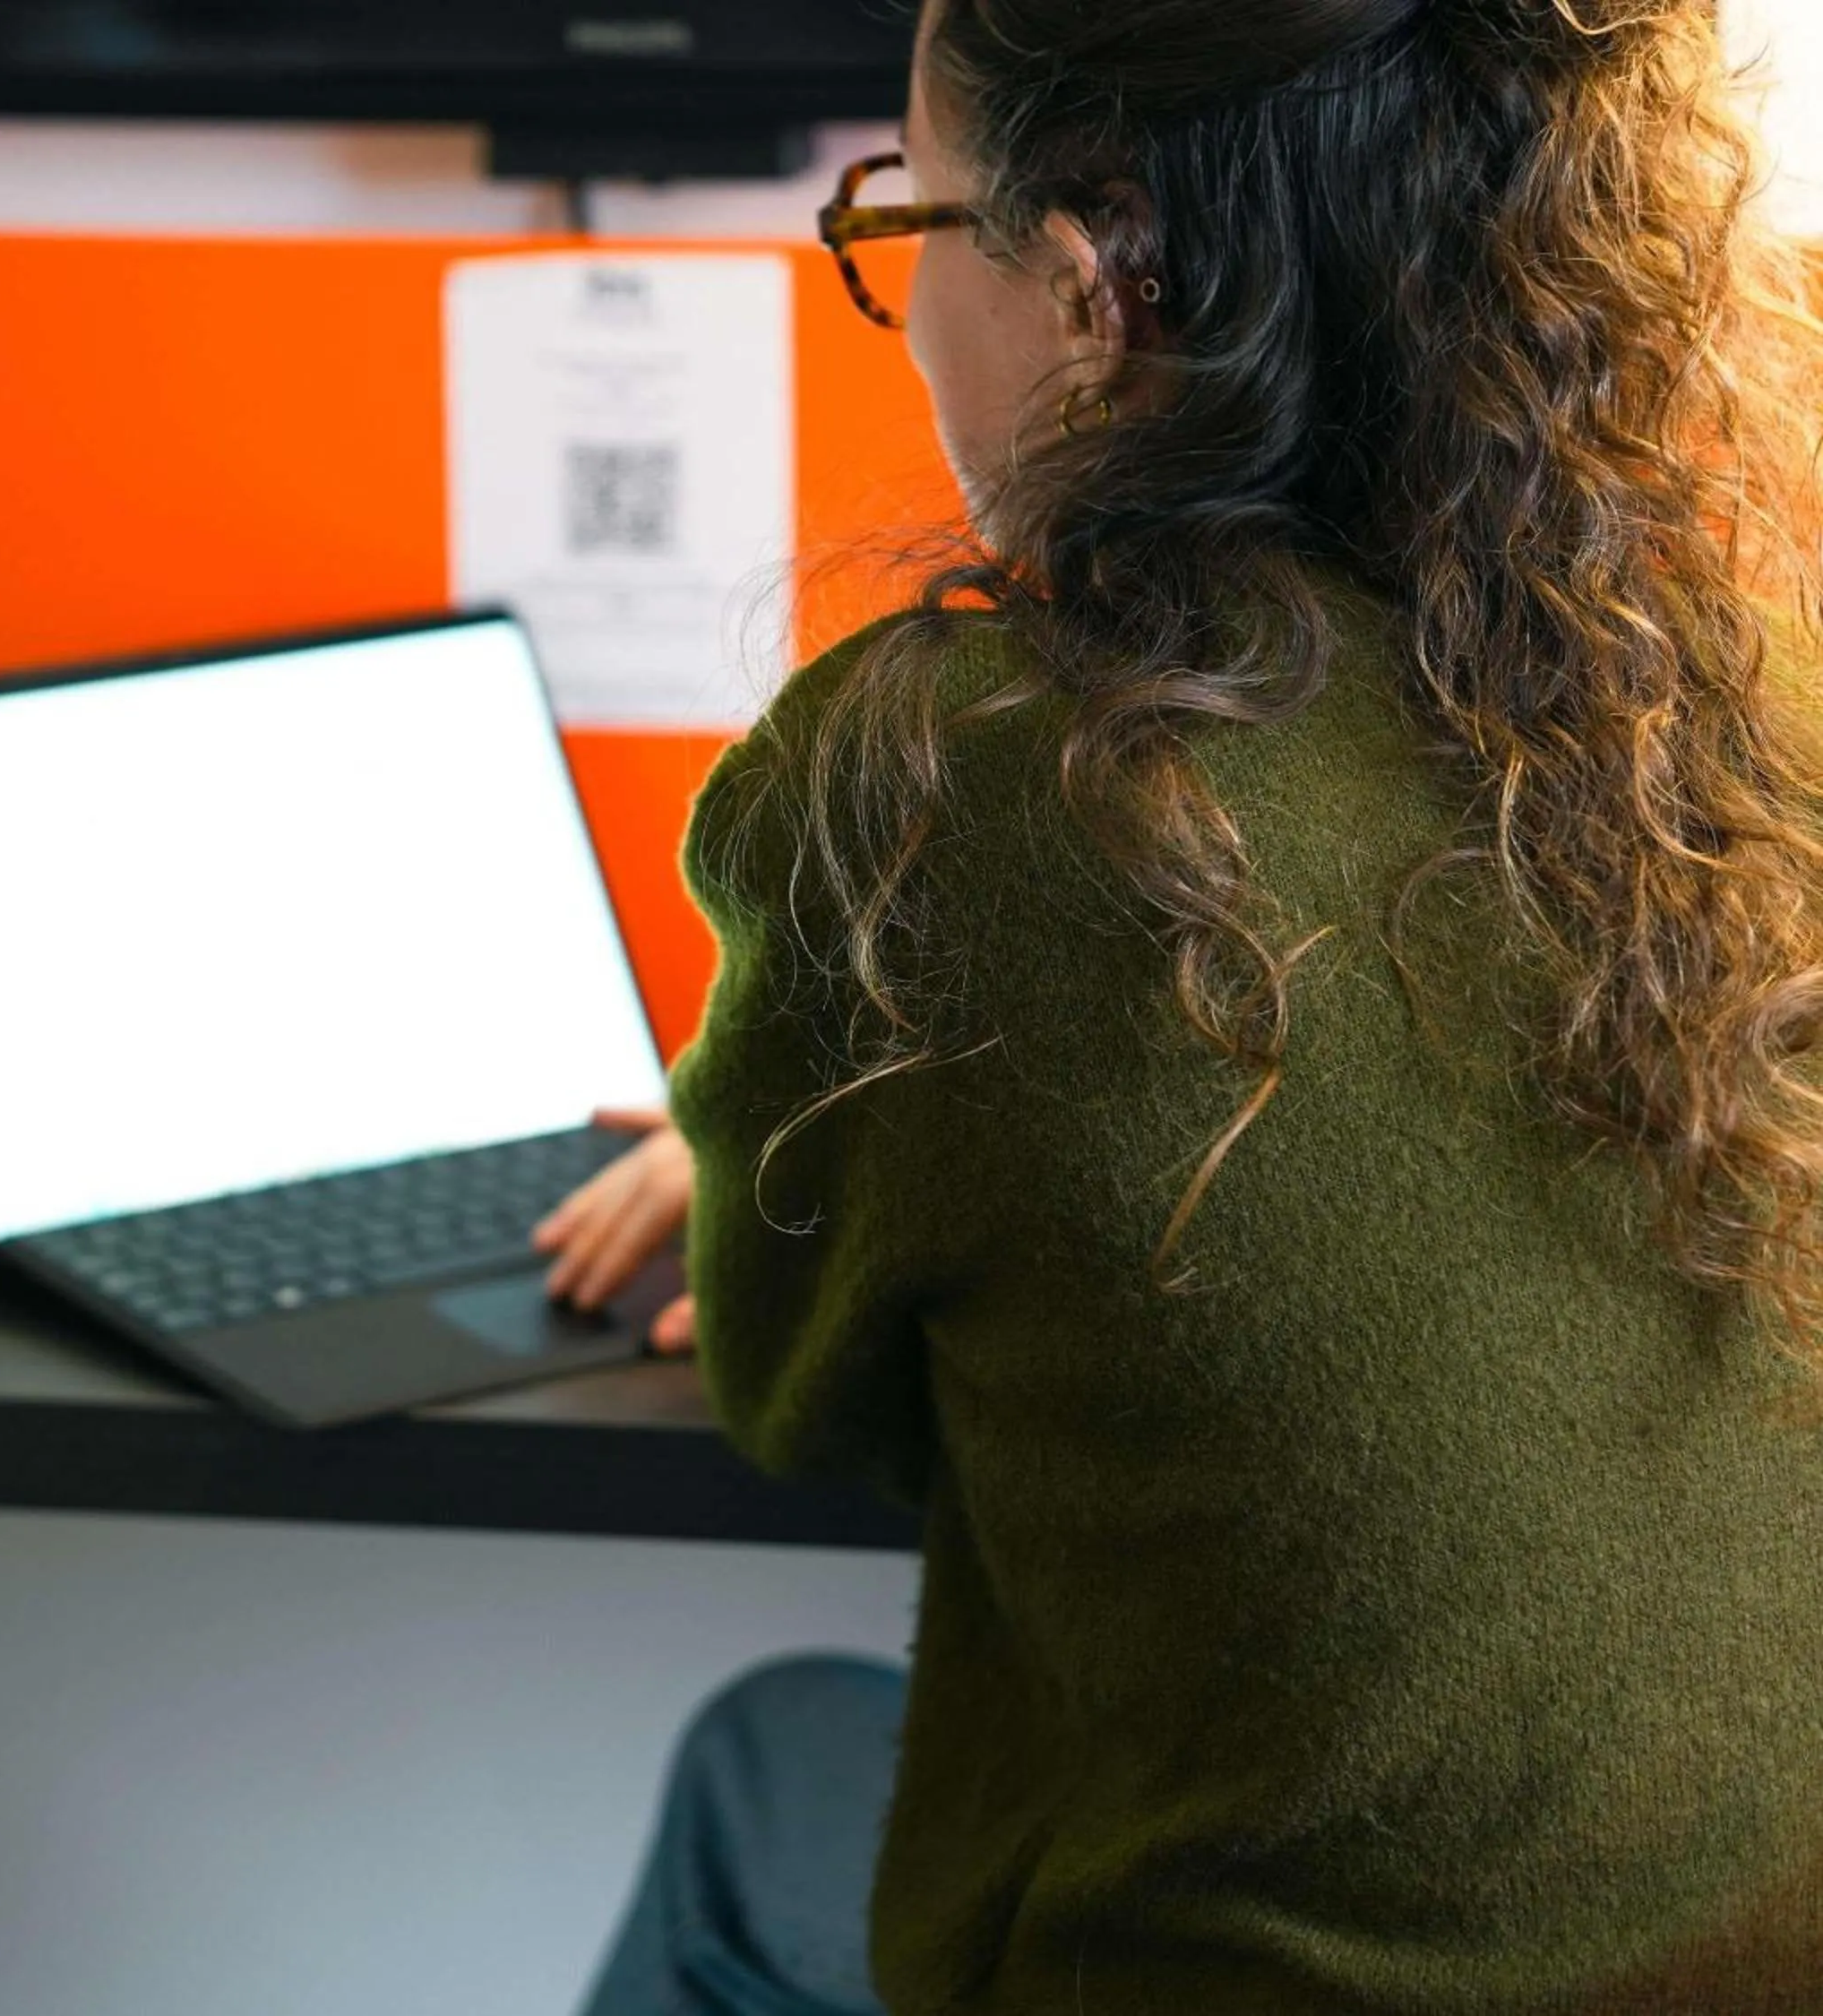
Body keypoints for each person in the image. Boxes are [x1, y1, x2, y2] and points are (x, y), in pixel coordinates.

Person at [535, 0, 1823, 2009]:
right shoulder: (1736, 722)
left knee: (757, 1773)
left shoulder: (956, 786)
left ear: (1084, 280)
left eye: (904, 217)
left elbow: (810, 1404)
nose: (907, 299)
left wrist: (751, 1151)